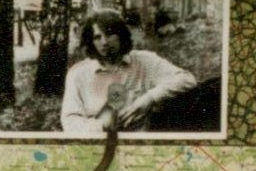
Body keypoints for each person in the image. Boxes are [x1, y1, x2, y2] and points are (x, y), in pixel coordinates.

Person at [58, 10, 195, 135]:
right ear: (90, 42)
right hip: (96, 145)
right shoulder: (78, 73)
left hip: (140, 144)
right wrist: (102, 125)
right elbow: (70, 122)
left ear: (121, 35)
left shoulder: (145, 61)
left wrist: (149, 99)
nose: (104, 42)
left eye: (110, 34)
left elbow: (187, 79)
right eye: (97, 37)